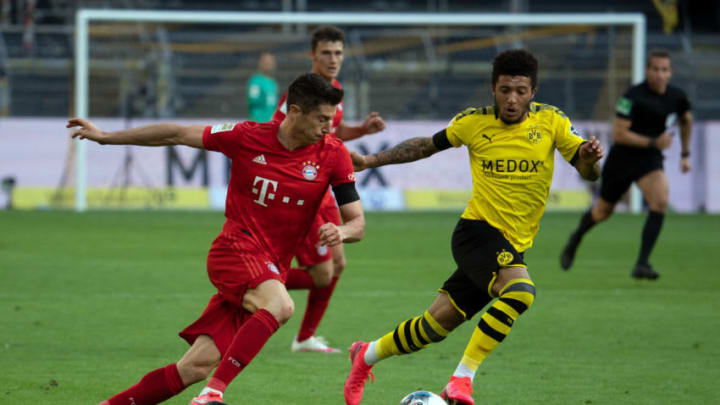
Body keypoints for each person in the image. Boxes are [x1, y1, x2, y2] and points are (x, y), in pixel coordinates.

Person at [69, 73, 366, 405]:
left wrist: (340, 231)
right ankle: (213, 393)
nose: (329, 127)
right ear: (295, 111)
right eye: (322, 119)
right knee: (281, 306)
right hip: (235, 248)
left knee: (193, 367)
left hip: (272, 267)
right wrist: (108, 137)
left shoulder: (333, 154)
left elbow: (357, 223)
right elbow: (177, 134)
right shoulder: (247, 136)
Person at [343, 49, 604, 405]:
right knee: (520, 292)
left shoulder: (553, 122)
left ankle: (366, 354)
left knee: (434, 326)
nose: (512, 99)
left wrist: (590, 163)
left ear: (534, 91)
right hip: (476, 232)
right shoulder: (473, 122)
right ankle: (461, 380)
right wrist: (370, 160)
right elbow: (424, 146)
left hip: (512, 244)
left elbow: (587, 170)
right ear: (492, 89)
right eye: (505, 90)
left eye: (521, 91)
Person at [272, 25, 386, 353]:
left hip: (324, 190)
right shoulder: (300, 95)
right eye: (326, 53)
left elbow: (331, 131)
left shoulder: (335, 89)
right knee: (322, 275)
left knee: (339, 265)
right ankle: (253, 282)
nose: (333, 59)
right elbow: (280, 133)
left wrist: (361, 129)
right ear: (312, 55)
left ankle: (305, 337)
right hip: (304, 190)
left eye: (338, 52)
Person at [560, 49, 693, 280]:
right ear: (647, 71)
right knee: (603, 212)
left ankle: (642, 263)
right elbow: (619, 134)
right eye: (655, 69)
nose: (660, 74)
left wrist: (685, 153)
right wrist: (654, 141)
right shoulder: (631, 97)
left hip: (650, 159)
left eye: (664, 70)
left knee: (660, 201)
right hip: (622, 159)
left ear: (670, 73)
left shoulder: (677, 97)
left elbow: (686, 120)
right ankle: (576, 237)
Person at [246, 52, 278, 122]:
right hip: (258, 123)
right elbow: (253, 103)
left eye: (271, 62)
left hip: (271, 123)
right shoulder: (255, 82)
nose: (269, 65)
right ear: (260, 63)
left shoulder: (273, 83)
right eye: (266, 62)